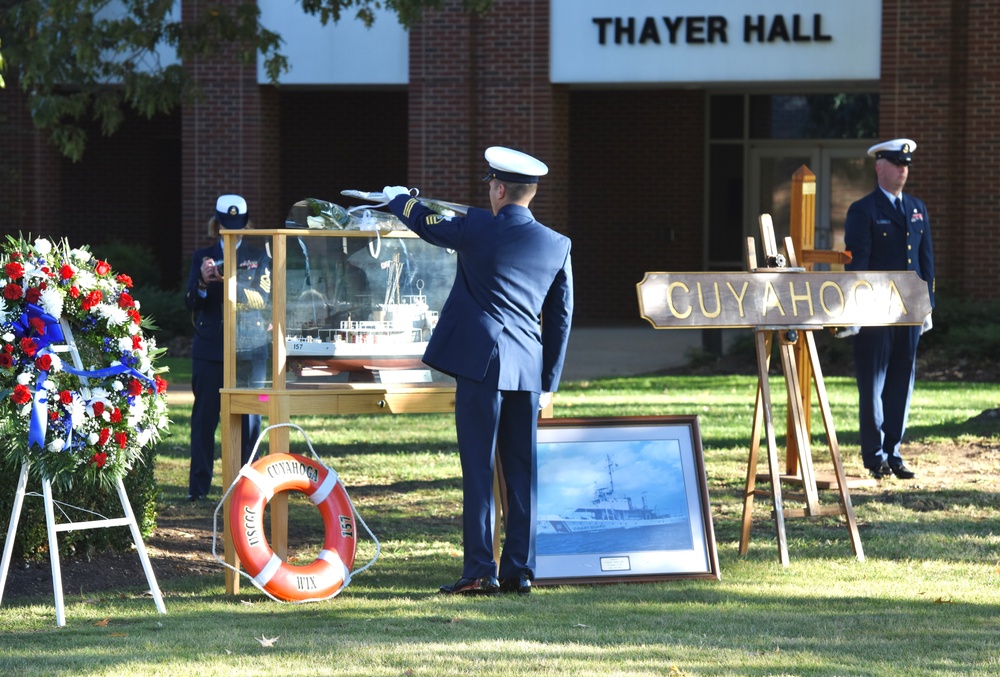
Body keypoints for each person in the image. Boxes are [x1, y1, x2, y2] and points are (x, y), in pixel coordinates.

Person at [384, 146, 574, 595]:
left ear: (500, 189)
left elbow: (428, 225)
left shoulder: (476, 227)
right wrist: (549, 382)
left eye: (491, 184)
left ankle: (479, 571)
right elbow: (561, 316)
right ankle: (519, 571)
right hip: (528, 370)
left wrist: (399, 199)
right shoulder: (557, 243)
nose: (488, 191)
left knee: (478, 470)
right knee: (522, 473)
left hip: (482, 366)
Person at [844, 139, 935, 480]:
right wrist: (853, 309)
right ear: (879, 167)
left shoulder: (916, 207)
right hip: (875, 310)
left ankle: (894, 451)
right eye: (896, 163)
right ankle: (874, 456)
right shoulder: (863, 210)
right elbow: (858, 264)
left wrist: (928, 304)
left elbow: (926, 261)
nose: (903, 169)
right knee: (873, 385)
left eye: (906, 164)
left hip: (910, 309)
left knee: (901, 382)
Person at [185, 195, 272, 501]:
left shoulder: (260, 255)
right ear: (217, 224)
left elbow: (264, 299)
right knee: (204, 421)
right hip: (210, 350)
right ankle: (198, 490)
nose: (231, 231)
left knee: (251, 422)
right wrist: (203, 285)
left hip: (250, 349)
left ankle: (247, 489)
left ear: (246, 224)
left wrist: (229, 283)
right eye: (225, 225)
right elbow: (190, 303)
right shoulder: (202, 257)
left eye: (237, 225)